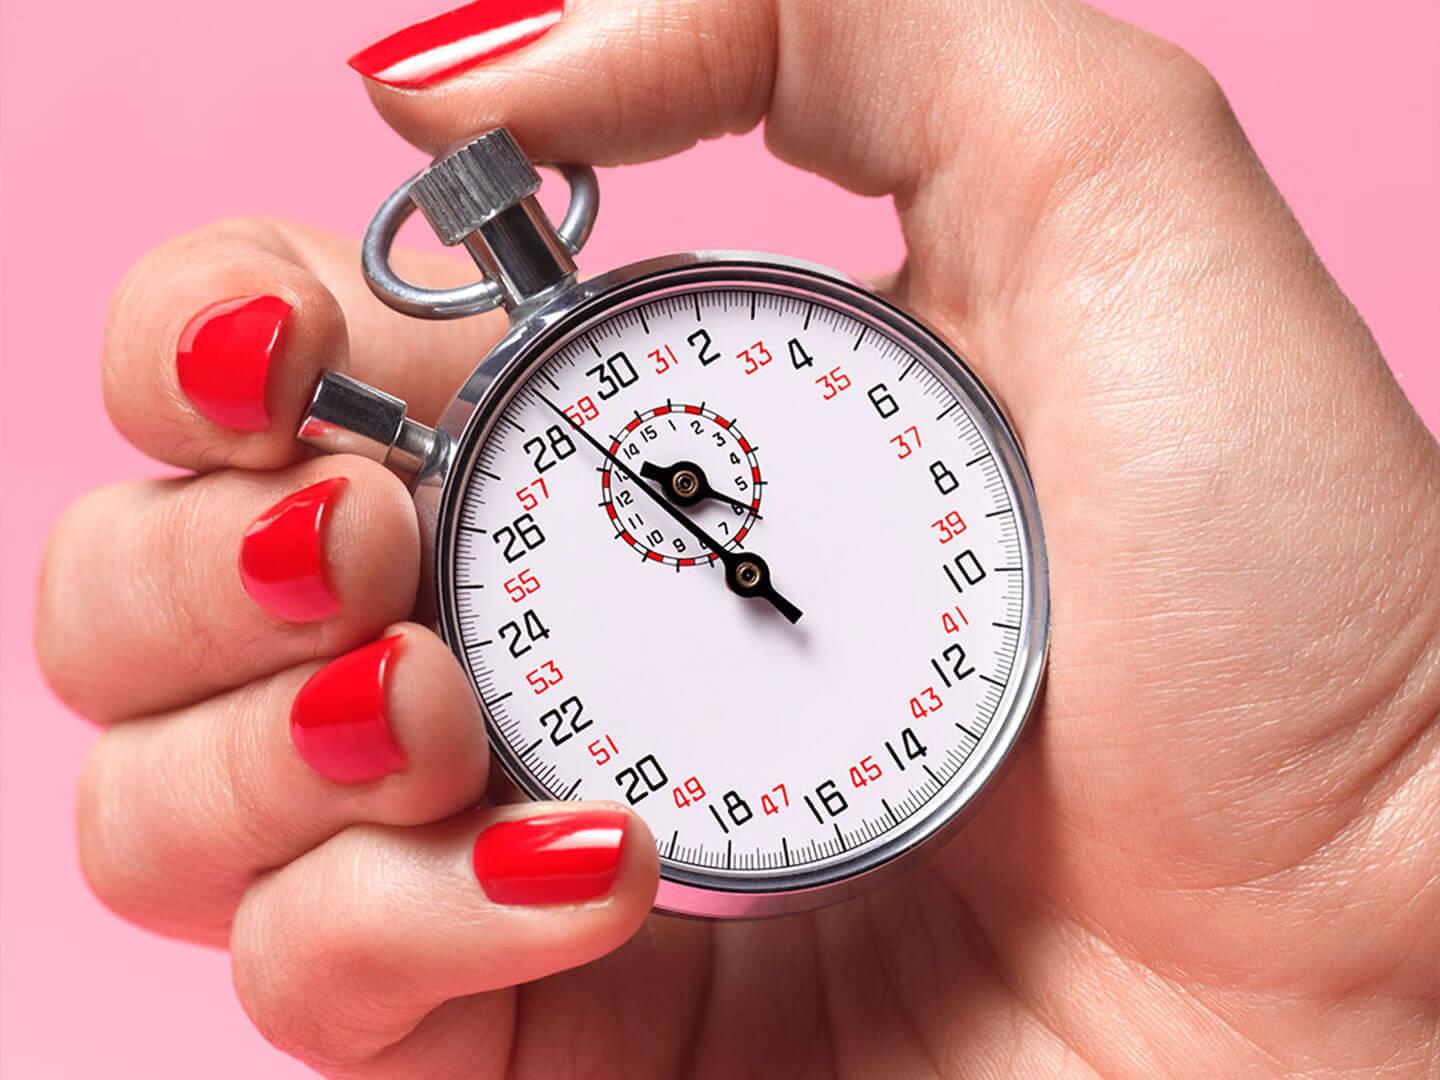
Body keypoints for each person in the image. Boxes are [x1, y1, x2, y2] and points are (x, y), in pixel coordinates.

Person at [34, 0, 1438, 1075]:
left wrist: (1360, 874)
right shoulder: (489, 522)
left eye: (724, 530)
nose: (736, 561)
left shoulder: (811, 365)